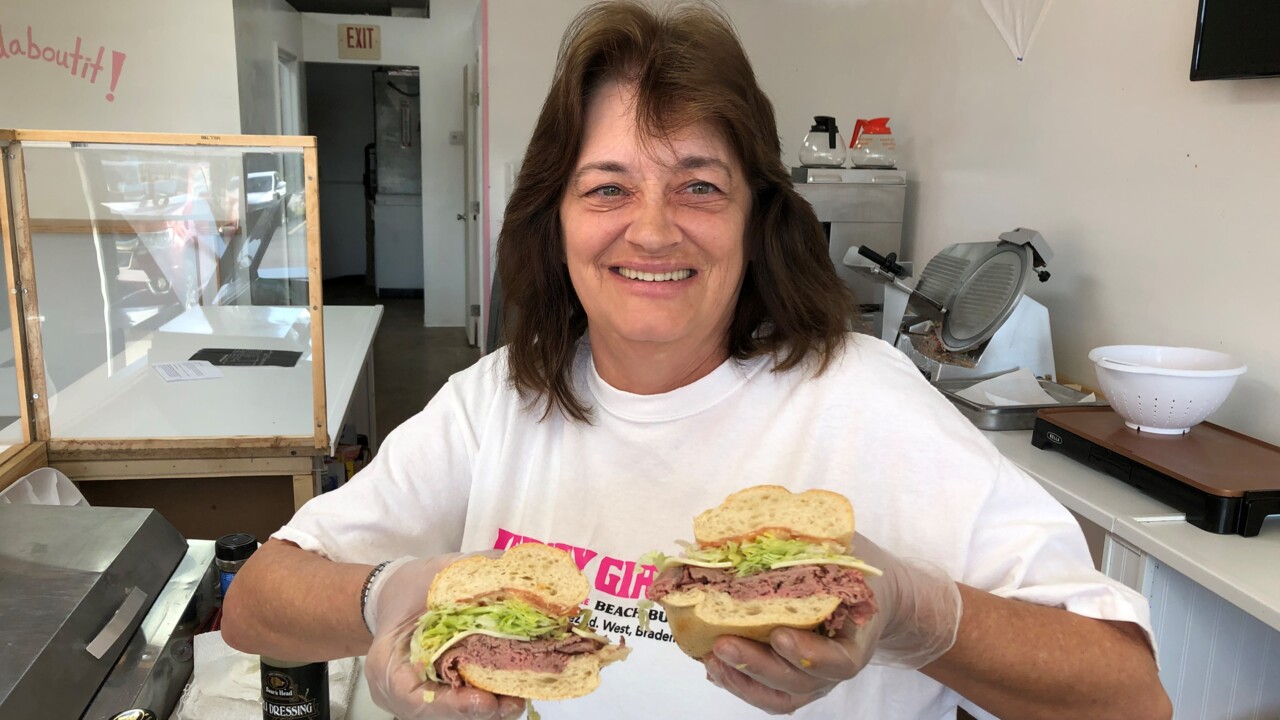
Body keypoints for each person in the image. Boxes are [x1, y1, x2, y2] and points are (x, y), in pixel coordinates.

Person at [222, 2, 1171, 718]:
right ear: (554, 222)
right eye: (607, 187)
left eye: (700, 186)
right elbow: (254, 605)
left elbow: (1131, 693)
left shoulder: (864, 401)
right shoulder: (498, 401)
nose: (651, 229)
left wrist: (917, 616)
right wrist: (399, 602)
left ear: (758, 219)